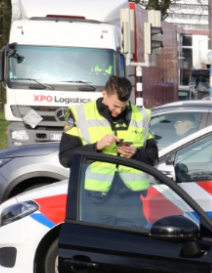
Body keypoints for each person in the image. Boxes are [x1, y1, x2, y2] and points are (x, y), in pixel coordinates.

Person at [59, 75, 158, 229]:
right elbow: (65, 158)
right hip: (95, 202)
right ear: (104, 94)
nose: (118, 111)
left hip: (130, 201)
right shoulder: (81, 114)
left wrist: (136, 153)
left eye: (122, 106)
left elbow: (153, 157)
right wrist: (96, 147)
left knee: (133, 249)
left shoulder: (140, 116)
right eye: (114, 105)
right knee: (97, 248)